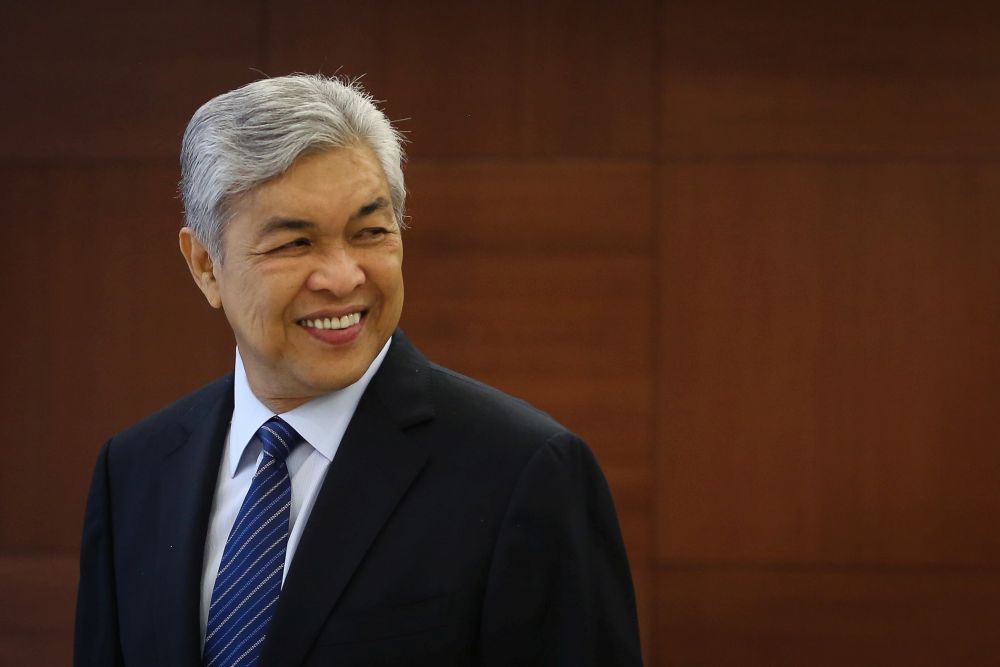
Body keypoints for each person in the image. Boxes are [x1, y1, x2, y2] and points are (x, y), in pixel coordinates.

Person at [74, 74, 642, 667]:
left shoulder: (525, 471)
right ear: (204, 265)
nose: (343, 277)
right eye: (295, 244)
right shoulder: (135, 470)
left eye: (370, 232)